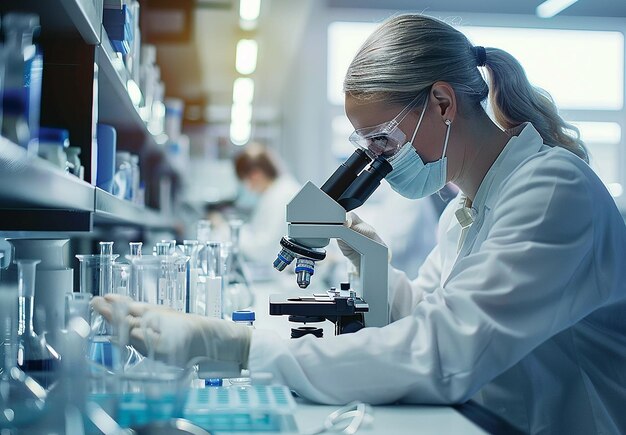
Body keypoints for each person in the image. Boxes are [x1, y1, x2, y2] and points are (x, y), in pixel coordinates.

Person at [93, 14, 626, 434]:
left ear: (442, 103)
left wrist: (245, 347)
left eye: (384, 141)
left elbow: (444, 351)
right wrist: (376, 265)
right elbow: (428, 317)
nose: (381, 162)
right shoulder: (466, 210)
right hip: (488, 418)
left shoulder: (552, 189)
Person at [232, 143, 301, 265]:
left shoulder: (282, 196)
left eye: (245, 181)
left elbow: (263, 249)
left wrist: (231, 232)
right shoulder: (275, 192)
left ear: (255, 175)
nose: (248, 188)